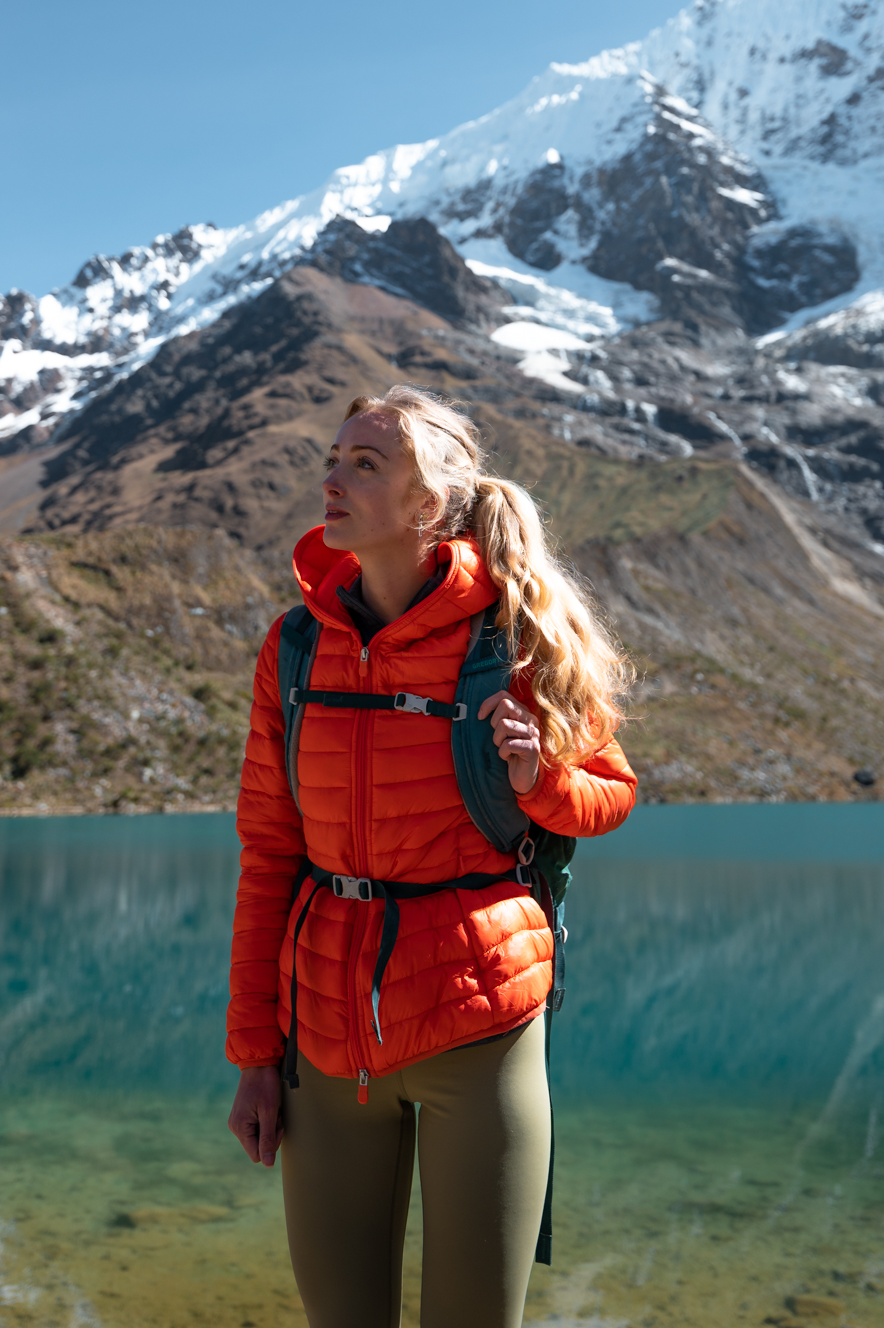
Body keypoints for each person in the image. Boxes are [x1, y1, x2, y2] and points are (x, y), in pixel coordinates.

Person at [226, 385, 636, 1328]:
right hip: (324, 1040)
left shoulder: (516, 637)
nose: (330, 480)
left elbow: (609, 794)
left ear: (428, 504)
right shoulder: (293, 650)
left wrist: (537, 782)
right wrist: (254, 1053)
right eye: (332, 459)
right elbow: (268, 854)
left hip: (479, 1027)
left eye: (364, 464)